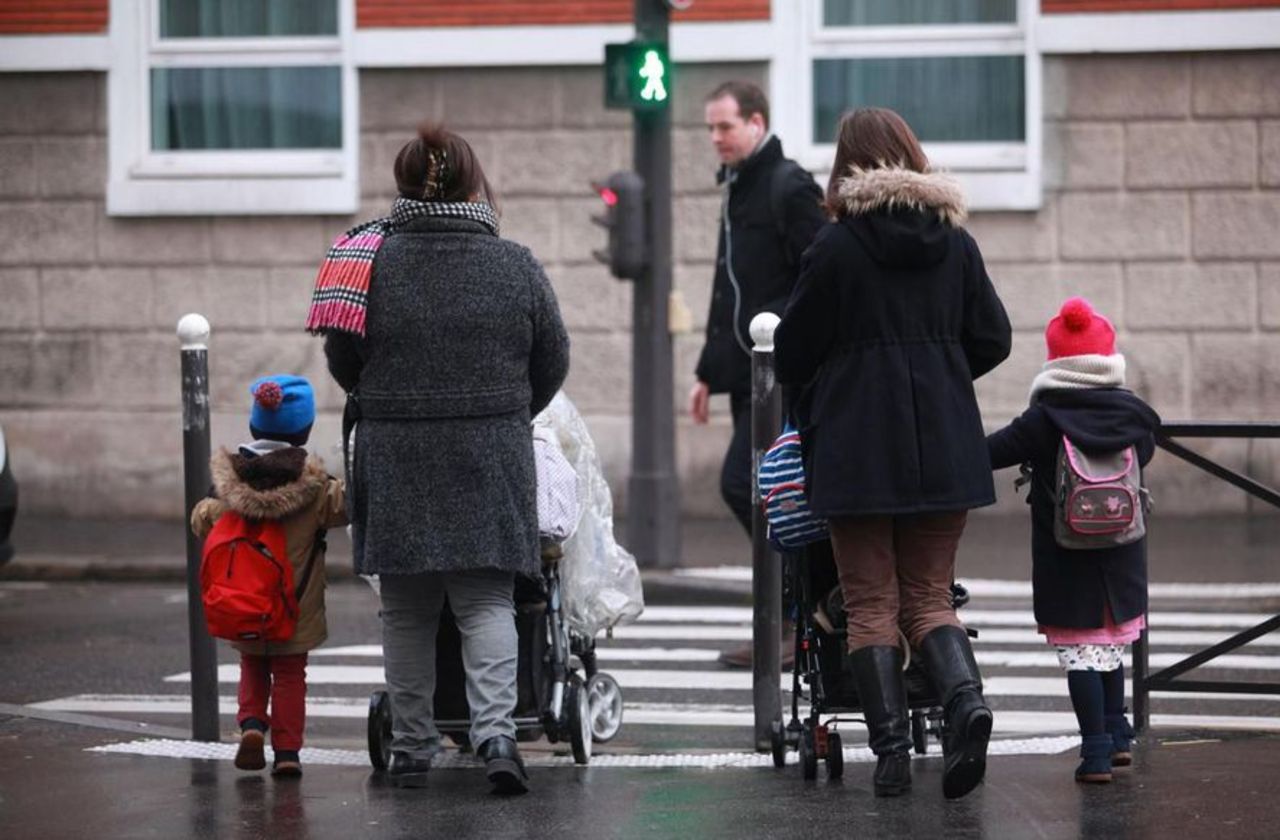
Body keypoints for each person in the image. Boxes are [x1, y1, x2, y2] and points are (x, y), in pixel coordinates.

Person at [314, 123, 570, 795]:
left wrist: (396, 401)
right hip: (490, 456)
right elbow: (552, 364)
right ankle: (497, 738)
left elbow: (344, 362)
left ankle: (410, 746)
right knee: (486, 604)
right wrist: (504, 412)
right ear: (472, 183)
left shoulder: (365, 261)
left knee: (406, 611)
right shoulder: (515, 265)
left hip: (397, 454)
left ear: (403, 184)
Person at [773, 108, 1012, 799]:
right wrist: (939, 372)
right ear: (912, 155)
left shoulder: (836, 247)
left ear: (846, 168)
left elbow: (793, 350)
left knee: (872, 604)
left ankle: (891, 756)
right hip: (945, 448)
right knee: (930, 597)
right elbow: (992, 338)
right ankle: (966, 703)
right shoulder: (955, 243)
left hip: (856, 452)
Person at [987, 297, 1159, 784]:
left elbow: (991, 453)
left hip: (1068, 556)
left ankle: (1096, 754)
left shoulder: (1044, 420)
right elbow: (1145, 453)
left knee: (1082, 654)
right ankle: (1118, 734)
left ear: (1056, 361)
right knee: (1109, 647)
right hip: (1123, 553)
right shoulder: (1133, 414)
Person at [691, 80, 828, 669]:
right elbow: (730, 289)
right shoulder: (740, 187)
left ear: (756, 122)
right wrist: (706, 371)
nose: (716, 138)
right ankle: (794, 617)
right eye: (711, 128)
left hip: (782, 375)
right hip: (749, 372)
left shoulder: (787, 186)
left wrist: (800, 349)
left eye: (724, 126)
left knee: (754, 488)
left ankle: (803, 610)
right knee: (759, 490)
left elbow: (821, 273)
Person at [191, 375, 347, 778]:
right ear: (305, 429)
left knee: (253, 666)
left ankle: (252, 726)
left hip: (243, 603)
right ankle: (289, 753)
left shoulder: (230, 483)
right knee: (292, 675)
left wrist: (215, 509)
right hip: (293, 607)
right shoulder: (315, 489)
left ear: (255, 424)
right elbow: (346, 506)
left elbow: (201, 520)